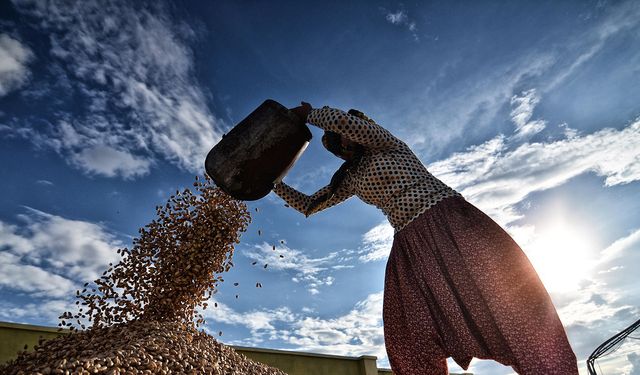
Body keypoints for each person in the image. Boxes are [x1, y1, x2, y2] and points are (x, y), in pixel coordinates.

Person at [273, 102, 579, 375]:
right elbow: (310, 205)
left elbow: (348, 124)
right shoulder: (351, 178)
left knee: (507, 298)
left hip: (450, 223)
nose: (345, 139)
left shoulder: (386, 144)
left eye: (346, 132)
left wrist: (309, 113)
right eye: (339, 143)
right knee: (408, 329)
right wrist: (272, 182)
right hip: (410, 244)